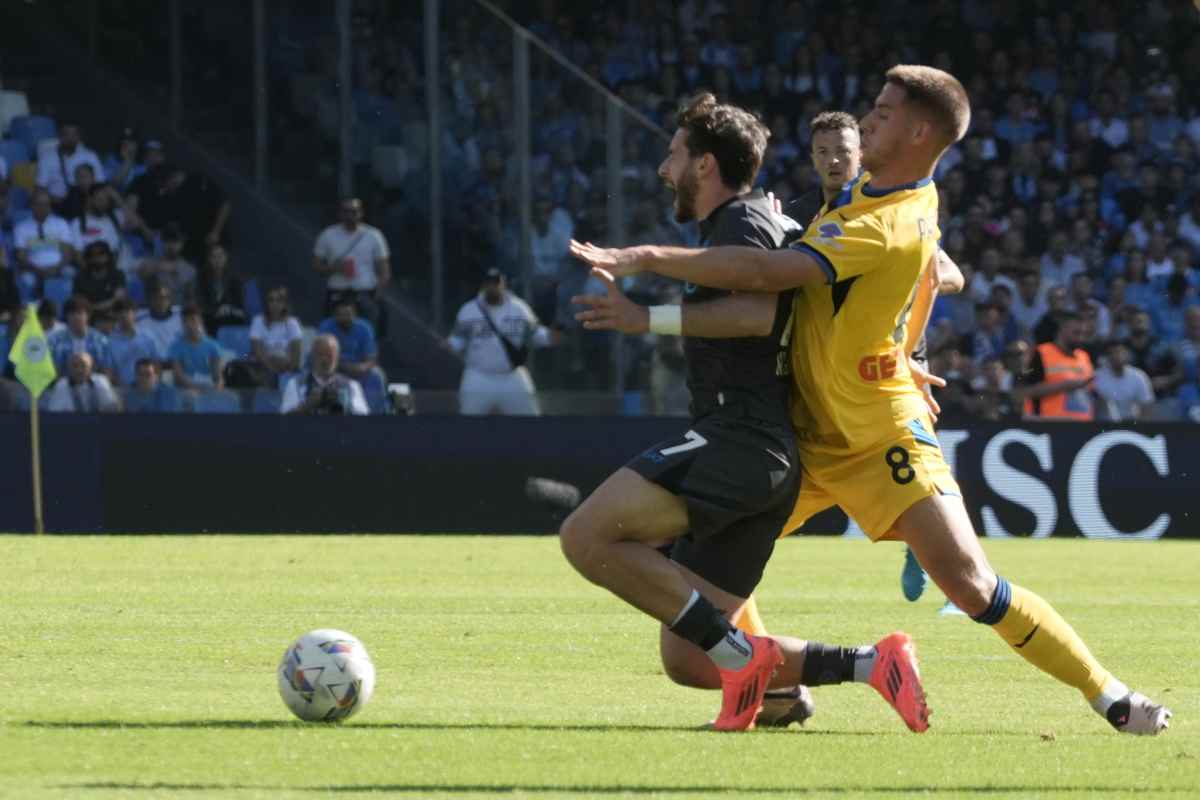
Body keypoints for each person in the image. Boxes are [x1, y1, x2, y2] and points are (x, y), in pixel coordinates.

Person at [570, 65, 1170, 734]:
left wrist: (647, 255)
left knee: (972, 585)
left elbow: (770, 273)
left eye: (882, 113)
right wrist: (910, 349)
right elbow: (937, 272)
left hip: (878, 436)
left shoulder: (888, 221)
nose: (867, 120)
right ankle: (790, 683)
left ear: (918, 131)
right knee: (687, 648)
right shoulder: (868, 195)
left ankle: (1111, 695)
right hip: (801, 437)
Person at [562, 93, 919, 734]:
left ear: (705, 165)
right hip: (764, 459)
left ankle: (742, 659)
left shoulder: (745, 224)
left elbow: (758, 314)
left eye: (674, 154)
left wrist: (648, 318)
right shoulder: (756, 223)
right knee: (686, 660)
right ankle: (870, 665)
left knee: (588, 537)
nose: (665, 169)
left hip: (740, 438)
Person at [447, 269, 556, 416]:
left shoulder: (519, 308)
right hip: (479, 376)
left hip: (512, 377)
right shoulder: (468, 310)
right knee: (468, 420)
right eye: (488, 283)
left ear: (503, 284)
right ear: (483, 286)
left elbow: (535, 334)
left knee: (531, 420)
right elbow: (457, 340)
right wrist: (448, 345)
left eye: (496, 283)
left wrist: (551, 337)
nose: (492, 287)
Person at [312, 197, 391, 335]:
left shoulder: (374, 235)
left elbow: (384, 269)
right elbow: (316, 265)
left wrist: (377, 295)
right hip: (338, 294)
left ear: (361, 213)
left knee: (369, 336)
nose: (350, 215)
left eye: (354, 211)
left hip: (365, 293)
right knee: (334, 337)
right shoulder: (328, 235)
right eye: (346, 211)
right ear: (340, 213)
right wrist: (334, 269)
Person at [1016, 311, 1095, 421]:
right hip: (1049, 423)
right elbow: (1023, 392)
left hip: (1083, 424)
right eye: (1076, 333)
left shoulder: (1084, 356)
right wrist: (1065, 386)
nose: (1080, 338)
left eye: (1083, 334)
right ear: (1062, 329)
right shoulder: (1040, 353)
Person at [318, 294, 387, 413]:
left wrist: (363, 367)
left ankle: (376, 413)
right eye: (341, 315)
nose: (345, 318)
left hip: (359, 369)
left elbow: (372, 357)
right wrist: (345, 367)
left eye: (348, 314)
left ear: (355, 314)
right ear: (335, 315)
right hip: (334, 369)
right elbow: (322, 357)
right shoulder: (326, 327)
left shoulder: (364, 327)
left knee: (377, 375)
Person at [280, 334, 369, 416]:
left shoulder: (351, 385)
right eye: (320, 355)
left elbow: (363, 421)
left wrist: (343, 406)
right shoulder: (295, 384)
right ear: (312, 356)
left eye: (329, 355)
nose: (325, 360)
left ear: (337, 358)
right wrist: (307, 405)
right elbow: (284, 422)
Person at [13, 187, 76, 297]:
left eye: (46, 204)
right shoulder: (21, 227)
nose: (43, 208)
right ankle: (31, 311)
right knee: (26, 281)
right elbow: (21, 256)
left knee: (72, 274)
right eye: (39, 204)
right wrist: (38, 271)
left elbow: (67, 254)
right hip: (33, 270)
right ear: (32, 205)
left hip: (59, 268)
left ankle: (66, 309)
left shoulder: (61, 224)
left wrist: (55, 268)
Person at [238, 285, 302, 388]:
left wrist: (284, 366)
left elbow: (296, 356)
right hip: (263, 368)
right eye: (271, 300)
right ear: (266, 303)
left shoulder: (292, 323)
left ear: (284, 304)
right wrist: (272, 368)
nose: (274, 304)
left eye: (279, 300)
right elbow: (257, 351)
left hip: (286, 368)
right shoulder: (258, 321)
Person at [35, 121, 105, 204]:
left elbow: (100, 183)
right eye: (66, 134)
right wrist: (55, 200)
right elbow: (40, 188)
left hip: (87, 203)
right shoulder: (47, 158)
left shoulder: (90, 156)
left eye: (74, 135)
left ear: (79, 137)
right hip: (57, 204)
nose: (70, 138)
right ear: (59, 136)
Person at [48, 296, 115, 381]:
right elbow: (53, 371)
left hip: (94, 385)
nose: (76, 317)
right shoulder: (54, 340)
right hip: (65, 385)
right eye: (72, 314)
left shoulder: (101, 340)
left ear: (88, 316)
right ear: (66, 317)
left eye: (80, 313)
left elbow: (107, 369)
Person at [1093, 340, 1154, 422]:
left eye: (1120, 352)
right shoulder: (1097, 376)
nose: (1116, 356)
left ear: (1127, 355)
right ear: (1107, 356)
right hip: (1104, 425)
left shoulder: (1139, 376)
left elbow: (1147, 405)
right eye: (1112, 353)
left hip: (1133, 423)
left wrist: (1141, 428)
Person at [168, 304, 224, 391]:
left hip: (209, 388)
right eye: (185, 321)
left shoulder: (213, 346)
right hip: (185, 390)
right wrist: (197, 389)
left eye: (193, 320)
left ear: (200, 322)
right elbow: (179, 377)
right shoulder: (175, 347)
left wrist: (217, 387)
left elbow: (218, 376)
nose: (189, 324)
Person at [194, 242, 247, 333]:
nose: (217, 260)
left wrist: (229, 308)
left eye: (220, 256)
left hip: (231, 319)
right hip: (210, 321)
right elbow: (201, 303)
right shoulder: (202, 279)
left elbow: (241, 304)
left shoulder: (235, 279)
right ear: (209, 259)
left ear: (226, 258)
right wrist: (217, 311)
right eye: (214, 256)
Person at [44, 351, 120, 413]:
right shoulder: (62, 385)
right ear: (69, 368)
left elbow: (112, 408)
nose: (79, 370)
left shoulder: (101, 381)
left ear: (91, 367)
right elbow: (55, 413)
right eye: (75, 366)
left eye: (83, 365)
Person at [138, 222, 197, 303]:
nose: (171, 245)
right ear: (162, 241)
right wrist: (161, 267)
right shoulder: (150, 262)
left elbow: (191, 298)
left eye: (175, 241)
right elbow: (141, 273)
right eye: (168, 241)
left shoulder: (189, 269)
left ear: (182, 243)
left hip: (178, 311)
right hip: (152, 310)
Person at [108, 298, 161, 387]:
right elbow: (110, 371)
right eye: (120, 313)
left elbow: (157, 364)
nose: (124, 316)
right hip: (124, 391)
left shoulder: (148, 337)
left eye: (127, 311)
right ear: (115, 316)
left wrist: (155, 384)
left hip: (150, 388)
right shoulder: (110, 342)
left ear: (135, 313)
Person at [72, 241, 127, 318]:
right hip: (89, 317)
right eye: (92, 255)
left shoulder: (117, 274)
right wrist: (96, 310)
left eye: (101, 253)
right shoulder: (80, 277)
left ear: (108, 256)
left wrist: (95, 308)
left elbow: (118, 299)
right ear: (88, 258)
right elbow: (80, 302)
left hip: (114, 314)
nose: (97, 258)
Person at [136, 284, 184, 360]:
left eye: (163, 298)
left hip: (178, 363)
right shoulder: (139, 319)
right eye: (156, 298)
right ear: (150, 300)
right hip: (152, 366)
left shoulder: (181, 315)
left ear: (170, 300)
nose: (160, 302)